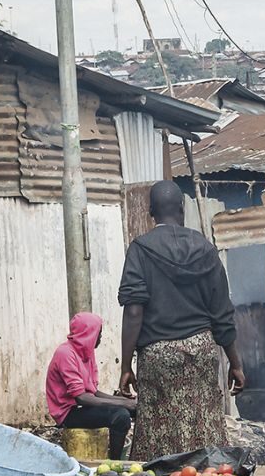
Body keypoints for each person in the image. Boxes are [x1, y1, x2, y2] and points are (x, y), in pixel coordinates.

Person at [119, 180, 242, 458]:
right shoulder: (206, 249)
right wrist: (236, 362)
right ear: (182, 208)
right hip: (201, 351)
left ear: (151, 211)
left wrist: (126, 365)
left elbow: (134, 311)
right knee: (204, 425)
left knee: (159, 434)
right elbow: (222, 312)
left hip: (158, 356)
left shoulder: (140, 249)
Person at [47, 311, 134, 458]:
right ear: (88, 333)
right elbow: (82, 397)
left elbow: (93, 392)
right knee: (120, 416)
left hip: (83, 405)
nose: (100, 337)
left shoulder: (87, 353)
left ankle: (136, 454)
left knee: (136, 408)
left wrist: (127, 401)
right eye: (98, 333)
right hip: (69, 413)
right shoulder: (65, 353)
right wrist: (123, 405)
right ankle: (115, 463)